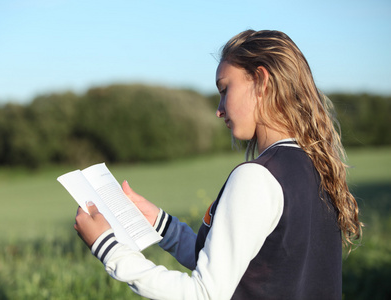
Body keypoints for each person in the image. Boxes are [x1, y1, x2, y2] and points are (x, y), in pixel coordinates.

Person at [73, 29, 362, 300]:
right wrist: (162, 225)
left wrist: (108, 248)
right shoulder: (318, 167)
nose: (219, 108)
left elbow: (205, 293)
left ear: (261, 82)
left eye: (225, 89)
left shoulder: (257, 177)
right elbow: (240, 264)